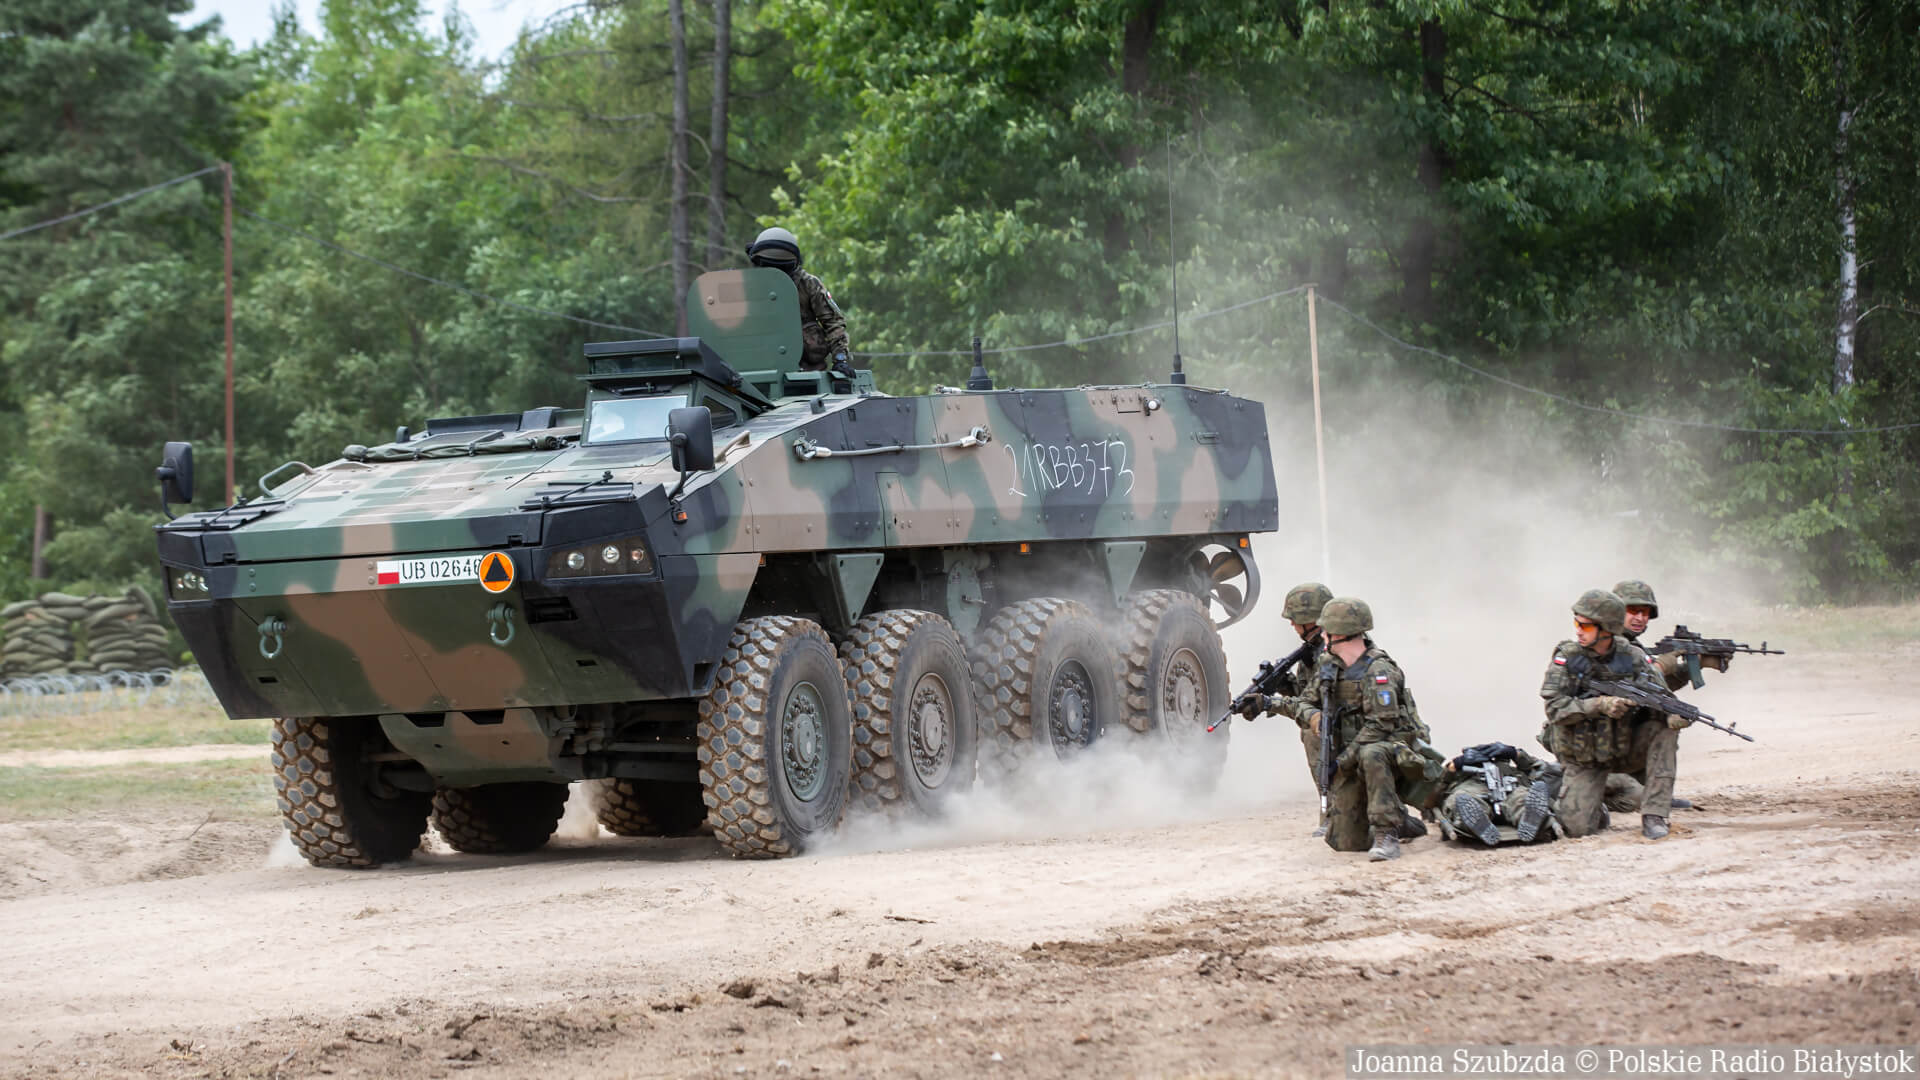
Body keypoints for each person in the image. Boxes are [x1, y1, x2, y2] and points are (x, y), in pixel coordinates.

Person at [1271, 597, 1425, 861]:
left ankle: (1386, 834)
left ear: (1341, 634)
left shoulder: (1379, 670)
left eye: (1328, 633)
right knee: (1344, 841)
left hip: (1392, 750)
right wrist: (1308, 714)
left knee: (1372, 753)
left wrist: (1344, 759)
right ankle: (1399, 820)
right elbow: (1305, 701)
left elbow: (1381, 725)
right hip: (1352, 754)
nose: (1324, 639)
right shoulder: (1330, 665)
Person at [1538, 589, 1684, 840]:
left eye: (1585, 625)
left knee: (1665, 730)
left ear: (1606, 629)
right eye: (1577, 623)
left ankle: (1655, 814)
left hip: (1624, 748)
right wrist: (1599, 705)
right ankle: (1589, 801)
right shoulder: (1568, 658)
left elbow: (1663, 696)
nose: (1578, 630)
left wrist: (1674, 715)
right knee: (1577, 829)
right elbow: (1555, 709)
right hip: (1584, 756)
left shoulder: (1633, 656)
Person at [1605, 579, 1701, 814]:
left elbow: (1650, 690)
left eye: (1645, 612)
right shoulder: (1604, 644)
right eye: (1633, 611)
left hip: (1621, 738)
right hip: (1598, 742)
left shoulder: (1633, 646)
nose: (1640, 618)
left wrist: (1690, 669)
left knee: (1661, 720)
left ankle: (1657, 794)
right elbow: (1619, 685)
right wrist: (1659, 666)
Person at [745, 226, 855, 378]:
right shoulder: (748, 287)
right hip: (761, 368)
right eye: (770, 267)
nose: (777, 274)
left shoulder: (808, 284)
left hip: (809, 369)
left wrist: (840, 359)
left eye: (782, 268)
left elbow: (833, 321)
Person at [1437, 742, 1562, 846]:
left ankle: (1529, 820)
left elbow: (1538, 769)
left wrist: (1515, 754)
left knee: (1522, 797)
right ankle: (1479, 824)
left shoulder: (1509, 768)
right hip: (1473, 786)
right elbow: (1435, 789)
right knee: (1462, 799)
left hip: (1508, 785)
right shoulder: (1461, 771)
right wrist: (1454, 765)